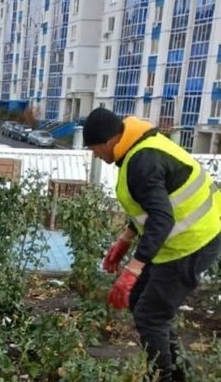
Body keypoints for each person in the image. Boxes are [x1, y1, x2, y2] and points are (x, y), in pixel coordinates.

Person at [83, 107, 221, 382]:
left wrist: (131, 271)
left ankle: (166, 376)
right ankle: (178, 368)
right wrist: (125, 241)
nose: (95, 154)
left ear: (109, 141)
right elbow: (152, 205)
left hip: (194, 241)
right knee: (142, 303)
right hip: (183, 238)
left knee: (150, 314)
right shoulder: (139, 148)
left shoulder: (141, 161)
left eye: (95, 148)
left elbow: (161, 218)